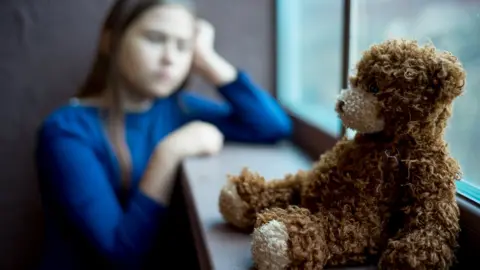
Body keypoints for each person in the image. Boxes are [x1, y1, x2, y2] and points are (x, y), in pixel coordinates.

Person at [34, 0, 292, 269]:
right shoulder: (66, 132)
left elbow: (272, 125)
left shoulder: (179, 109)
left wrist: (207, 59)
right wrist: (169, 154)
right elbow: (121, 255)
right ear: (110, 41)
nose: (170, 57)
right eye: (155, 39)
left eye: (183, 46)